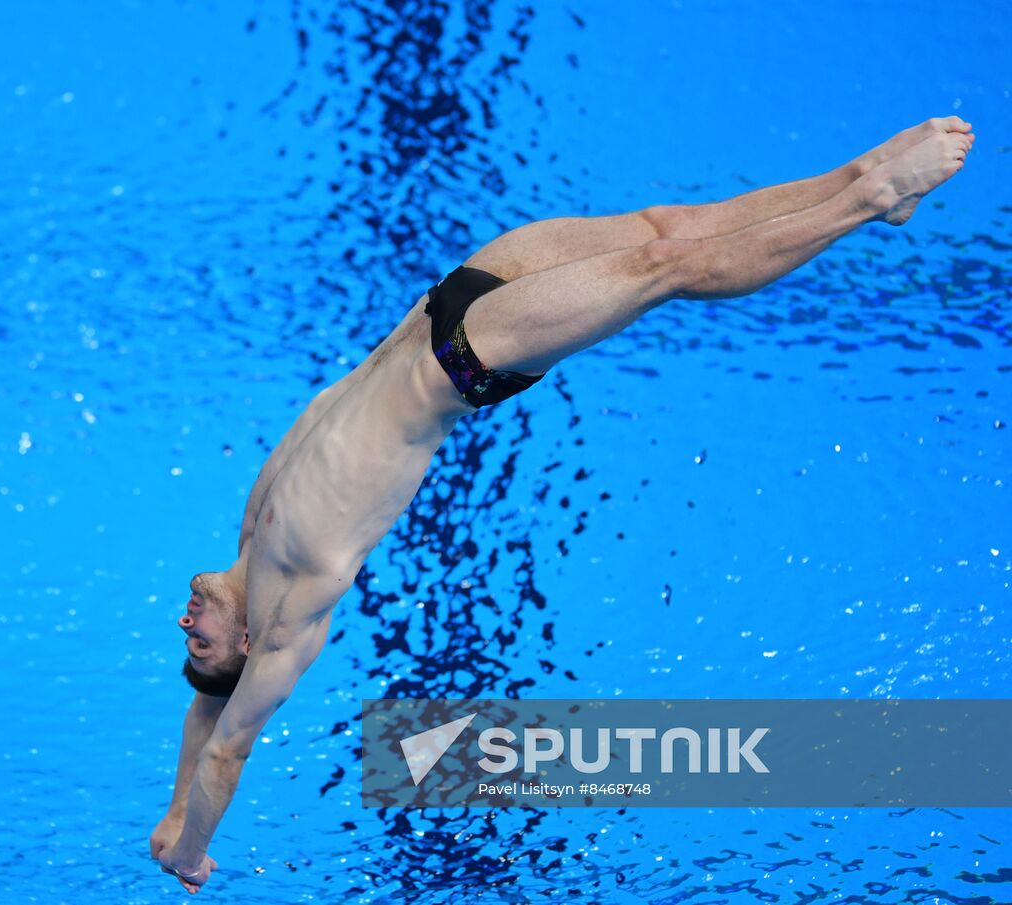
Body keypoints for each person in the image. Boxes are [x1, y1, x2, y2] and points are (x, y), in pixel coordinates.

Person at [149, 117, 974, 893]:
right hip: (464, 359)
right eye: (203, 644)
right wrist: (190, 847)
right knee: (668, 270)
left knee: (665, 227)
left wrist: (174, 805)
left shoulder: (253, 535)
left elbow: (199, 713)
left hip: (448, 303)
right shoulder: (291, 613)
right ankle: (866, 202)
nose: (186, 624)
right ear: (251, 645)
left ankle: (859, 176)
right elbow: (226, 742)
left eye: (185, 636)